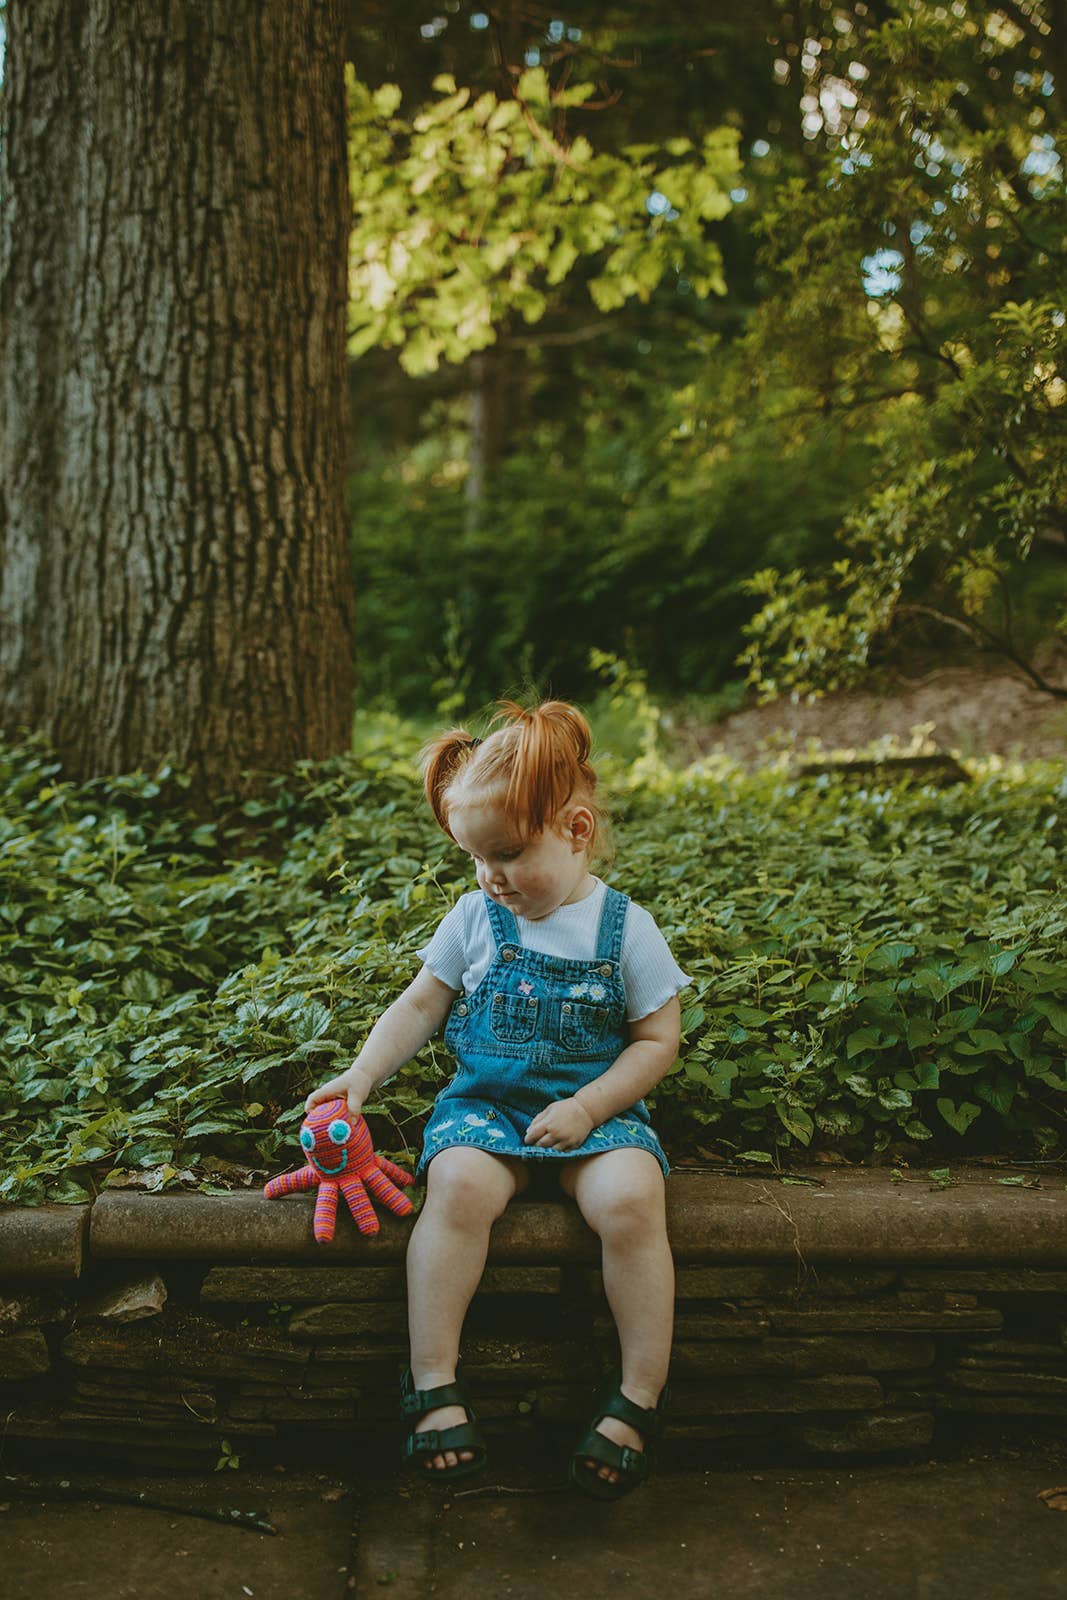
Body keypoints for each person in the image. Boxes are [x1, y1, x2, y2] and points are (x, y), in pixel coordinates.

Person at [306, 699, 688, 1499]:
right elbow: (421, 1003)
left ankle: (636, 1396)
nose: (491, 878)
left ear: (575, 830)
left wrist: (588, 1108)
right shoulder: (476, 917)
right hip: (486, 1107)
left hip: (597, 1112)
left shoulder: (625, 929)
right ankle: (432, 1383)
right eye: (474, 859)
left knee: (630, 1200)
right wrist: (361, 1076)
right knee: (458, 1187)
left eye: (508, 855)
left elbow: (658, 1042)